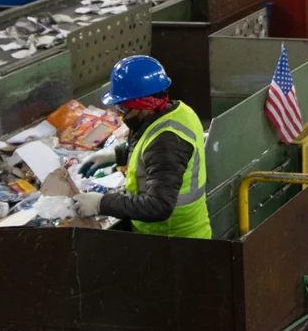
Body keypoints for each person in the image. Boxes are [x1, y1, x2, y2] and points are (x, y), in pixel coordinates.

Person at [74, 55, 209, 238]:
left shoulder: (166, 142)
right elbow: (147, 146)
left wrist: (102, 204)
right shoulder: (177, 113)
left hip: (175, 241)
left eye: (123, 108)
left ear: (143, 105)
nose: (120, 115)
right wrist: (115, 155)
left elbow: (158, 206)